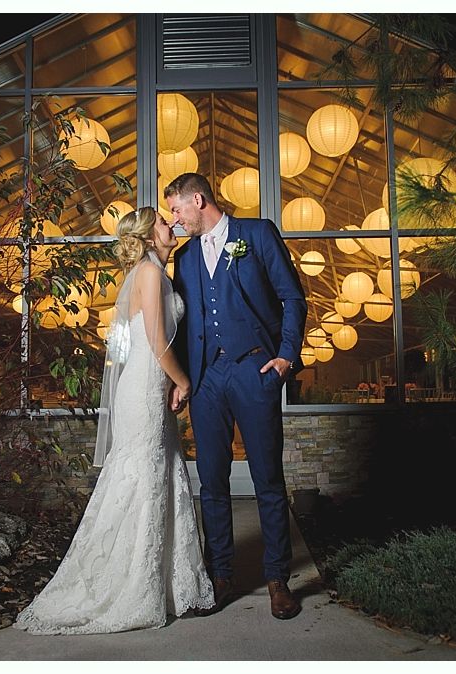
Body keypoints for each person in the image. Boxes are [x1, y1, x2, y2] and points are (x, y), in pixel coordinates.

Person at [13, 207, 214, 635]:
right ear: (145, 236)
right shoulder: (147, 274)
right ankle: (127, 583)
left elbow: (127, 341)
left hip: (146, 384)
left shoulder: (154, 273)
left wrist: (168, 382)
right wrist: (183, 382)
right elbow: (157, 341)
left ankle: (163, 584)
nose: (171, 225)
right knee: (143, 477)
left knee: (157, 478)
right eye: (163, 221)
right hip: (144, 386)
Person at [164, 173, 308, 620]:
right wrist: (182, 378)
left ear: (198, 200)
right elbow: (187, 322)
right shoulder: (184, 258)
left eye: (176, 209)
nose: (174, 219)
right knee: (212, 481)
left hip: (254, 369)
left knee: (267, 479)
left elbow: (293, 298)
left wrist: (285, 357)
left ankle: (277, 579)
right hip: (207, 380)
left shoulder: (256, 234)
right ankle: (220, 576)